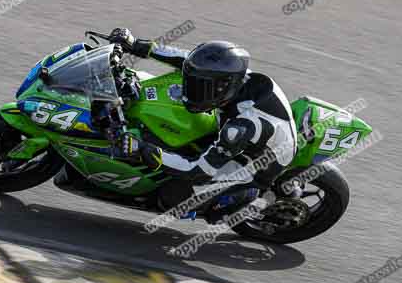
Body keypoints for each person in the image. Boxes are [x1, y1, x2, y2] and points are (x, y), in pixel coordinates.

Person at [108, 27, 298, 214]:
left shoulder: (239, 129)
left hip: (253, 163)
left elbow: (198, 171)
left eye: (201, 89)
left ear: (223, 89)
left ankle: (244, 196)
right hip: (246, 126)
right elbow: (185, 59)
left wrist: (143, 149)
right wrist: (134, 44)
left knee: (173, 196)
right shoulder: (232, 74)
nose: (189, 93)